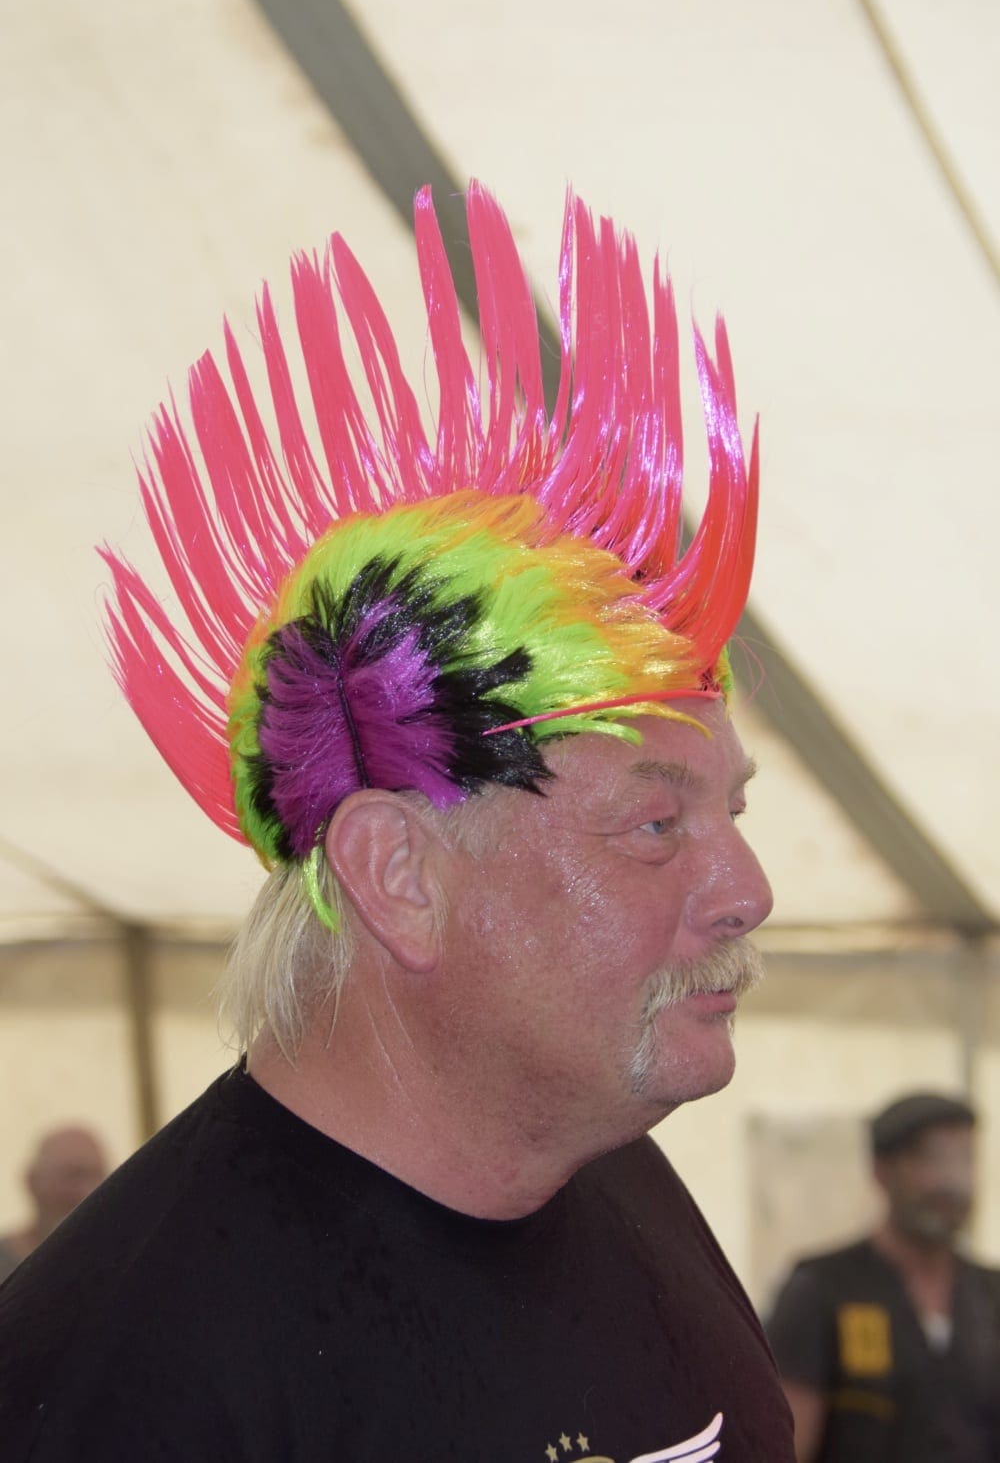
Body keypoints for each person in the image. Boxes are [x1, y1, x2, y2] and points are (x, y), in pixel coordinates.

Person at [0, 182, 794, 1460]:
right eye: (656, 825)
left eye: (732, 809)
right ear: (399, 873)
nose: (747, 887)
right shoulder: (123, 1384)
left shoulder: (618, 1185)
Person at [767, 1091, 1000, 1461]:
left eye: (964, 1158)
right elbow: (786, 1446)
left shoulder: (990, 1295)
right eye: (930, 1159)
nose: (951, 1181)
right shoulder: (822, 1289)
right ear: (882, 1172)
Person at [0, 1126, 107, 1283]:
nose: (86, 1192)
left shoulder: (122, 1259)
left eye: (96, 1176)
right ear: (33, 1181)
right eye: (72, 1176)